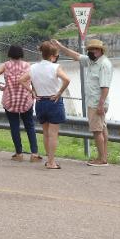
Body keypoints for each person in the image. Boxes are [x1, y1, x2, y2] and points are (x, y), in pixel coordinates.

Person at [52, 36, 113, 166]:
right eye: (90, 50)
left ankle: (102, 159)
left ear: (101, 51)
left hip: (97, 102)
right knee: (101, 128)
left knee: (97, 130)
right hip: (95, 101)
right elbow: (76, 56)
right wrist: (61, 47)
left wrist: (100, 105)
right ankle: (103, 156)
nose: (91, 52)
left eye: (94, 50)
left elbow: (105, 87)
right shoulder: (92, 61)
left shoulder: (103, 64)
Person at [0, 45, 41, 162]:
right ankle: (34, 154)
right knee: (30, 126)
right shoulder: (28, 66)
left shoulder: (5, 65)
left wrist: (1, 87)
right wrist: (34, 93)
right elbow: (34, 82)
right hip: (25, 100)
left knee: (14, 126)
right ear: (21, 54)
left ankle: (19, 154)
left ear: (9, 54)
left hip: (10, 99)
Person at [30, 41, 72, 170]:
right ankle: (51, 162)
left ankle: (49, 159)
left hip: (40, 101)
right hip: (53, 101)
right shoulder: (55, 67)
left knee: (45, 133)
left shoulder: (33, 67)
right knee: (53, 134)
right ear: (53, 56)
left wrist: (32, 91)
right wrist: (59, 92)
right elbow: (67, 79)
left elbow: (22, 79)